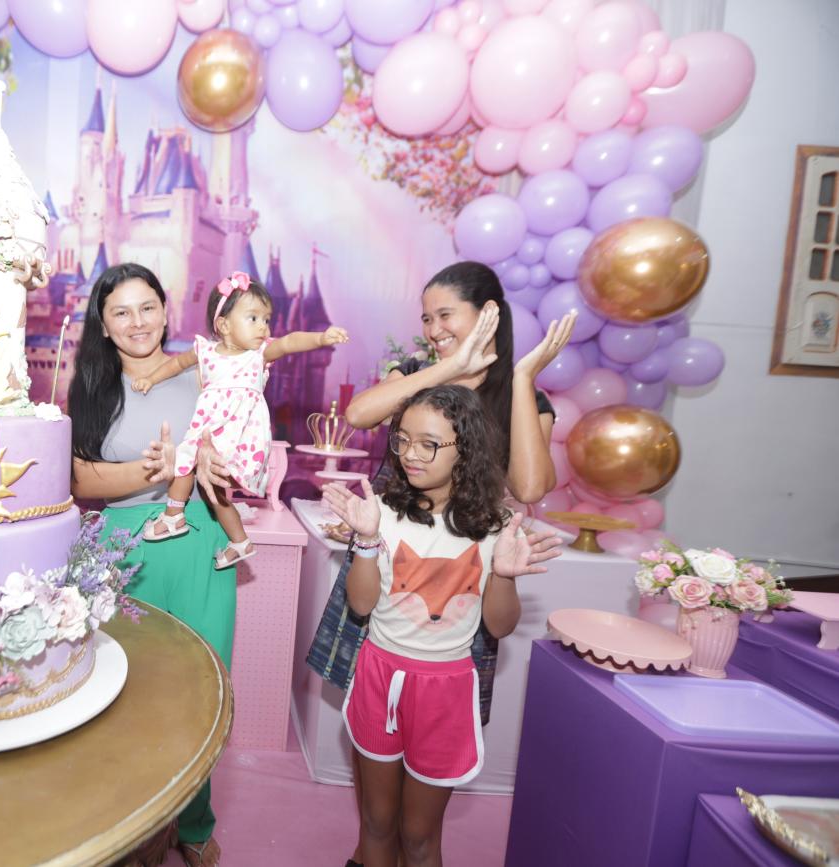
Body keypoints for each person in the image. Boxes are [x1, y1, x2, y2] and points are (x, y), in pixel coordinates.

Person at [309, 261, 575, 867]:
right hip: (385, 559)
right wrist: (448, 369)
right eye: (426, 317)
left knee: (425, 793)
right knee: (375, 767)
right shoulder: (417, 373)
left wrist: (523, 375)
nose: (432, 329)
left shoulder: (521, 394)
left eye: (444, 315)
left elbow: (531, 487)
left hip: (465, 585)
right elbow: (358, 415)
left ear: (487, 315)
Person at [68, 262, 236, 867]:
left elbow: (231, 459)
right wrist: (161, 468)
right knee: (128, 690)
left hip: (197, 541)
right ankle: (130, 824)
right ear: (104, 325)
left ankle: (193, 822)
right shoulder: (90, 386)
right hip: (122, 550)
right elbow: (82, 481)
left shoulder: (204, 372)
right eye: (121, 312)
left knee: (199, 687)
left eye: (147, 307)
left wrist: (211, 463)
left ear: (166, 311)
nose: (137, 322)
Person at [134, 270, 348, 568]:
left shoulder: (259, 355)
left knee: (189, 463)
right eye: (253, 318)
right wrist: (150, 379)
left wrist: (321, 338)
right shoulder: (205, 351)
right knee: (210, 487)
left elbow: (289, 342)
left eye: (266, 320)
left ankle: (173, 516)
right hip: (210, 431)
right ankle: (238, 540)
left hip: (241, 436)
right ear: (223, 325)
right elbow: (176, 364)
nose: (263, 327)